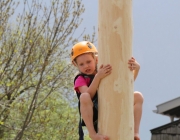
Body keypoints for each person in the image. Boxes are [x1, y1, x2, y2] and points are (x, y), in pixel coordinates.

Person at [71, 41, 143, 140]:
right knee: (84, 96)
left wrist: (137, 69)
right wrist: (97, 77)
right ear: (76, 65)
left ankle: (135, 132)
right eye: (81, 64)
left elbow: (126, 87)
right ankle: (93, 134)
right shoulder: (81, 79)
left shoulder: (102, 72)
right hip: (94, 112)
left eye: (88, 62)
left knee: (138, 96)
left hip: (110, 104)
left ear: (96, 59)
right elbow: (89, 95)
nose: (86, 66)